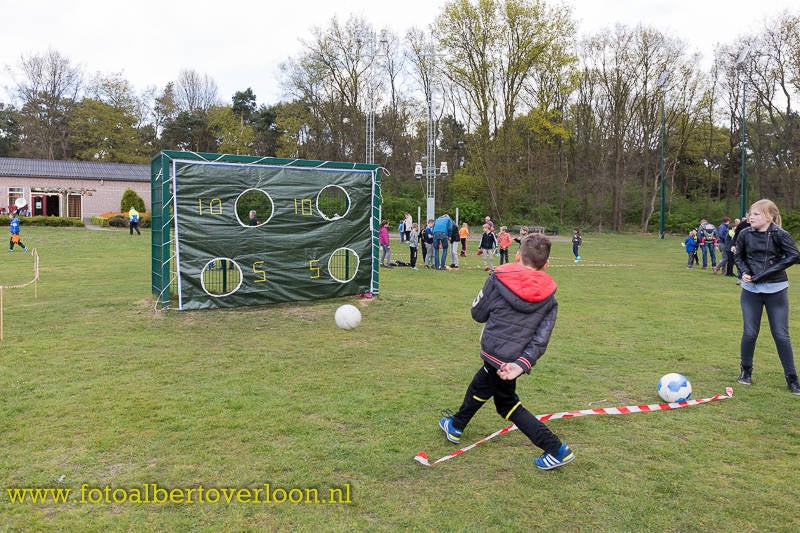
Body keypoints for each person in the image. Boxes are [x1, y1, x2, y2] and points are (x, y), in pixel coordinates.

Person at [439, 233, 575, 470]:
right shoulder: (544, 297)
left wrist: (519, 365)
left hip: (502, 359)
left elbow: (477, 313)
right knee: (482, 383)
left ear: (517, 255)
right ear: (546, 264)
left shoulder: (498, 279)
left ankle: (556, 448)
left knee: (507, 404)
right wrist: (523, 363)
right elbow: (541, 340)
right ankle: (456, 424)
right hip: (508, 359)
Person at [733, 199, 800, 394]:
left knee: (781, 334)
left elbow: (795, 256)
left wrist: (762, 276)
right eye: (750, 214)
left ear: (769, 217)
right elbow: (739, 256)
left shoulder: (781, 235)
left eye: (755, 214)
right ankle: (745, 371)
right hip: (751, 292)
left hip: (776, 290)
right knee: (750, 333)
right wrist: (744, 272)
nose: (750, 217)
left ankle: (792, 379)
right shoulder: (744, 233)